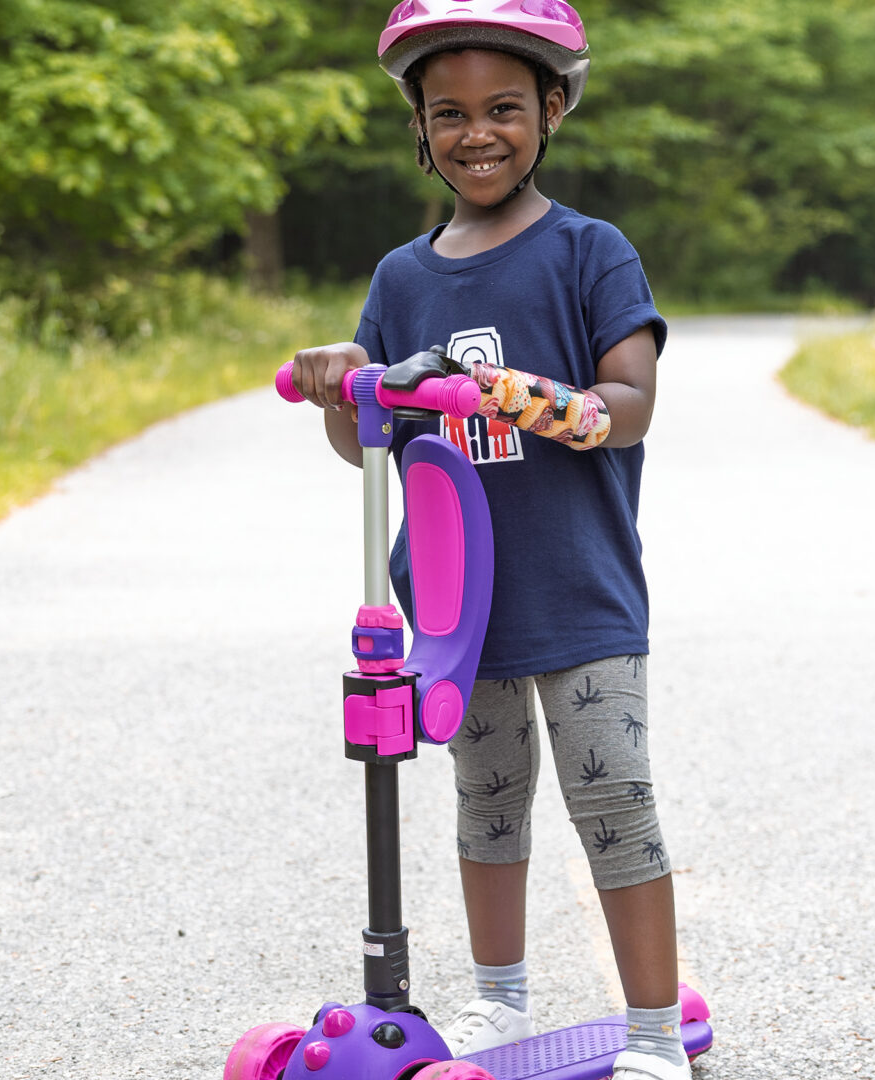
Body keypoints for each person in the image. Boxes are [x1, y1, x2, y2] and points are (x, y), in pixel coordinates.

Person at [289, 3, 685, 1078]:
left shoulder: (589, 252)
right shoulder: (402, 279)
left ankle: (652, 1031)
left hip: (581, 586)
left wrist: (523, 395)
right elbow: (360, 438)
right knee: (488, 799)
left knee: (612, 796)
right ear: (418, 128)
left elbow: (629, 401)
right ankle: (499, 1001)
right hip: (459, 601)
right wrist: (341, 380)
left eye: (504, 107)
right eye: (449, 112)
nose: (478, 132)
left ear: (551, 109)